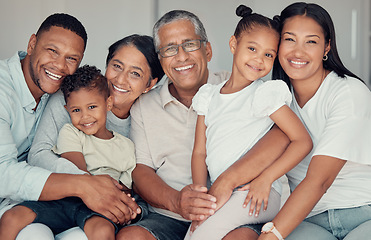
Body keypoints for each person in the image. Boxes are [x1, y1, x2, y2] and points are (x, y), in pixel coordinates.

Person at [117, 9, 290, 240]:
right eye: (169, 49)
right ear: (161, 60)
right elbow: (141, 170)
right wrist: (177, 202)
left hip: (234, 205)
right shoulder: (144, 106)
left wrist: (234, 180)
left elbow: (283, 134)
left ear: (207, 50)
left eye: (190, 44)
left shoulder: (241, 86)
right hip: (167, 215)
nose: (181, 57)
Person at [0, 13, 135, 240]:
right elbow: (2, 174)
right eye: (52, 51)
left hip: (34, 201)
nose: (60, 66)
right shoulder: (4, 91)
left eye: (72, 59)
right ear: (32, 44)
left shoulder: (58, 93)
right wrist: (84, 184)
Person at [184, 5, 312, 240]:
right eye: (252, 48)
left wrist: (266, 178)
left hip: (256, 192)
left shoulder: (265, 94)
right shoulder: (209, 95)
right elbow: (199, 152)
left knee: (203, 236)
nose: (259, 60)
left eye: (268, 54)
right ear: (233, 44)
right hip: (223, 191)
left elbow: (302, 141)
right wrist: (201, 196)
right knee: (193, 234)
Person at [26, 34, 165, 239]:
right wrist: (87, 184)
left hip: (99, 216)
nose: (120, 79)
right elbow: (37, 154)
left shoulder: (146, 123)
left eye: (135, 73)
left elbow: (138, 183)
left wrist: (128, 206)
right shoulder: (72, 96)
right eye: (117, 66)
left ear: (149, 84)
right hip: (55, 202)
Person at [255, 2, 371, 240]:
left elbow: (320, 180)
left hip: (363, 211)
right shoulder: (274, 98)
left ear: (326, 47)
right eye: (289, 39)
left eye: (311, 41)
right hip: (309, 218)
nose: (298, 52)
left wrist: (272, 234)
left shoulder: (348, 92)